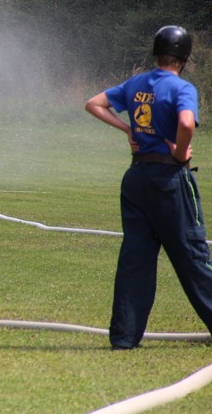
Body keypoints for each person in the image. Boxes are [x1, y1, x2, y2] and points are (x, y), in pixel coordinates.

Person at [85, 25, 212, 349]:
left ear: (156, 52)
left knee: (136, 258)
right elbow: (185, 123)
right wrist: (182, 152)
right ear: (184, 57)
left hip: (136, 178)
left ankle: (124, 337)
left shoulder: (136, 83)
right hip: (169, 180)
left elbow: (94, 103)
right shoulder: (181, 88)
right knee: (192, 253)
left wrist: (127, 128)